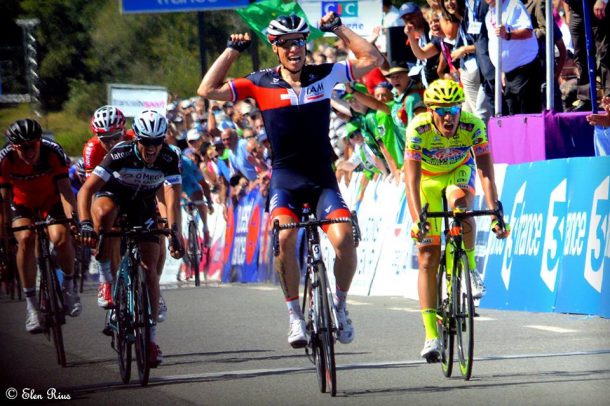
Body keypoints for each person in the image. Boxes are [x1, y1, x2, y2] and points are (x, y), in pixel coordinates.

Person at [198, 11, 384, 348]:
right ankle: (295, 316)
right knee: (284, 240)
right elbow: (207, 89)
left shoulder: (325, 74)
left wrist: (337, 29)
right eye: (285, 44)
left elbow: (373, 58)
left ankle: (340, 307)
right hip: (285, 179)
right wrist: (231, 51)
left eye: (298, 42)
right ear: (275, 48)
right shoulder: (260, 81)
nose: (293, 49)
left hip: (322, 179)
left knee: (344, 240)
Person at [404, 79, 510, 361]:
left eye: (454, 108)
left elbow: (486, 172)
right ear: (430, 110)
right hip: (426, 181)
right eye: (442, 110)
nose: (449, 116)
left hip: (458, 174)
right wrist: (418, 219)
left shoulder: (472, 125)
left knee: (461, 205)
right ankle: (430, 336)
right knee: (428, 256)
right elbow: (411, 178)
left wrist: (495, 211)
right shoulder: (419, 128)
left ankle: (471, 269)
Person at [77, 110, 184, 366]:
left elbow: (172, 199)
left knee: (150, 265)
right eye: (146, 142)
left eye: (157, 142)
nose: (151, 148)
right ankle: (106, 278)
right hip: (114, 198)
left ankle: (151, 341)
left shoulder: (170, 156)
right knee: (103, 213)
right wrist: (84, 224)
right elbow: (86, 191)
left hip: (143, 206)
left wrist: (176, 233)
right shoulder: (120, 153)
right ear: (136, 139)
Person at [0, 119, 82, 333]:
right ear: (14, 147)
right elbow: (3, 200)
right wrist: (5, 234)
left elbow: (65, 191)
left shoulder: (52, 151)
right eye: (23, 147)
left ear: (39, 142)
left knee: (61, 238)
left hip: (50, 201)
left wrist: (73, 220)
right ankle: (32, 307)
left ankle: (69, 288)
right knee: (25, 239)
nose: (29, 151)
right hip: (21, 204)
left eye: (33, 145)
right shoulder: (5, 159)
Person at [83, 105, 134, 308]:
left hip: (132, 187)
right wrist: (89, 223)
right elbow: (92, 188)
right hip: (107, 187)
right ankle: (105, 280)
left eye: (116, 137)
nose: (112, 143)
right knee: (105, 220)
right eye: (106, 139)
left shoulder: (134, 139)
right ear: (96, 136)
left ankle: (151, 287)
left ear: (124, 131)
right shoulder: (92, 149)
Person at [484, 0, 542, 115]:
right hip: (508, 75)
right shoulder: (489, 14)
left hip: (524, 70)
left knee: (527, 115)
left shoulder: (513, 5)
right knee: (514, 116)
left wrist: (507, 35)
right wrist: (500, 70)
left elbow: (528, 31)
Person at [564, 0, 609, 111]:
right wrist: (568, 12)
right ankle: (585, 99)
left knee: (604, 54)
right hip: (576, 9)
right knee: (580, 56)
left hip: (596, 5)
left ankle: (608, 98)